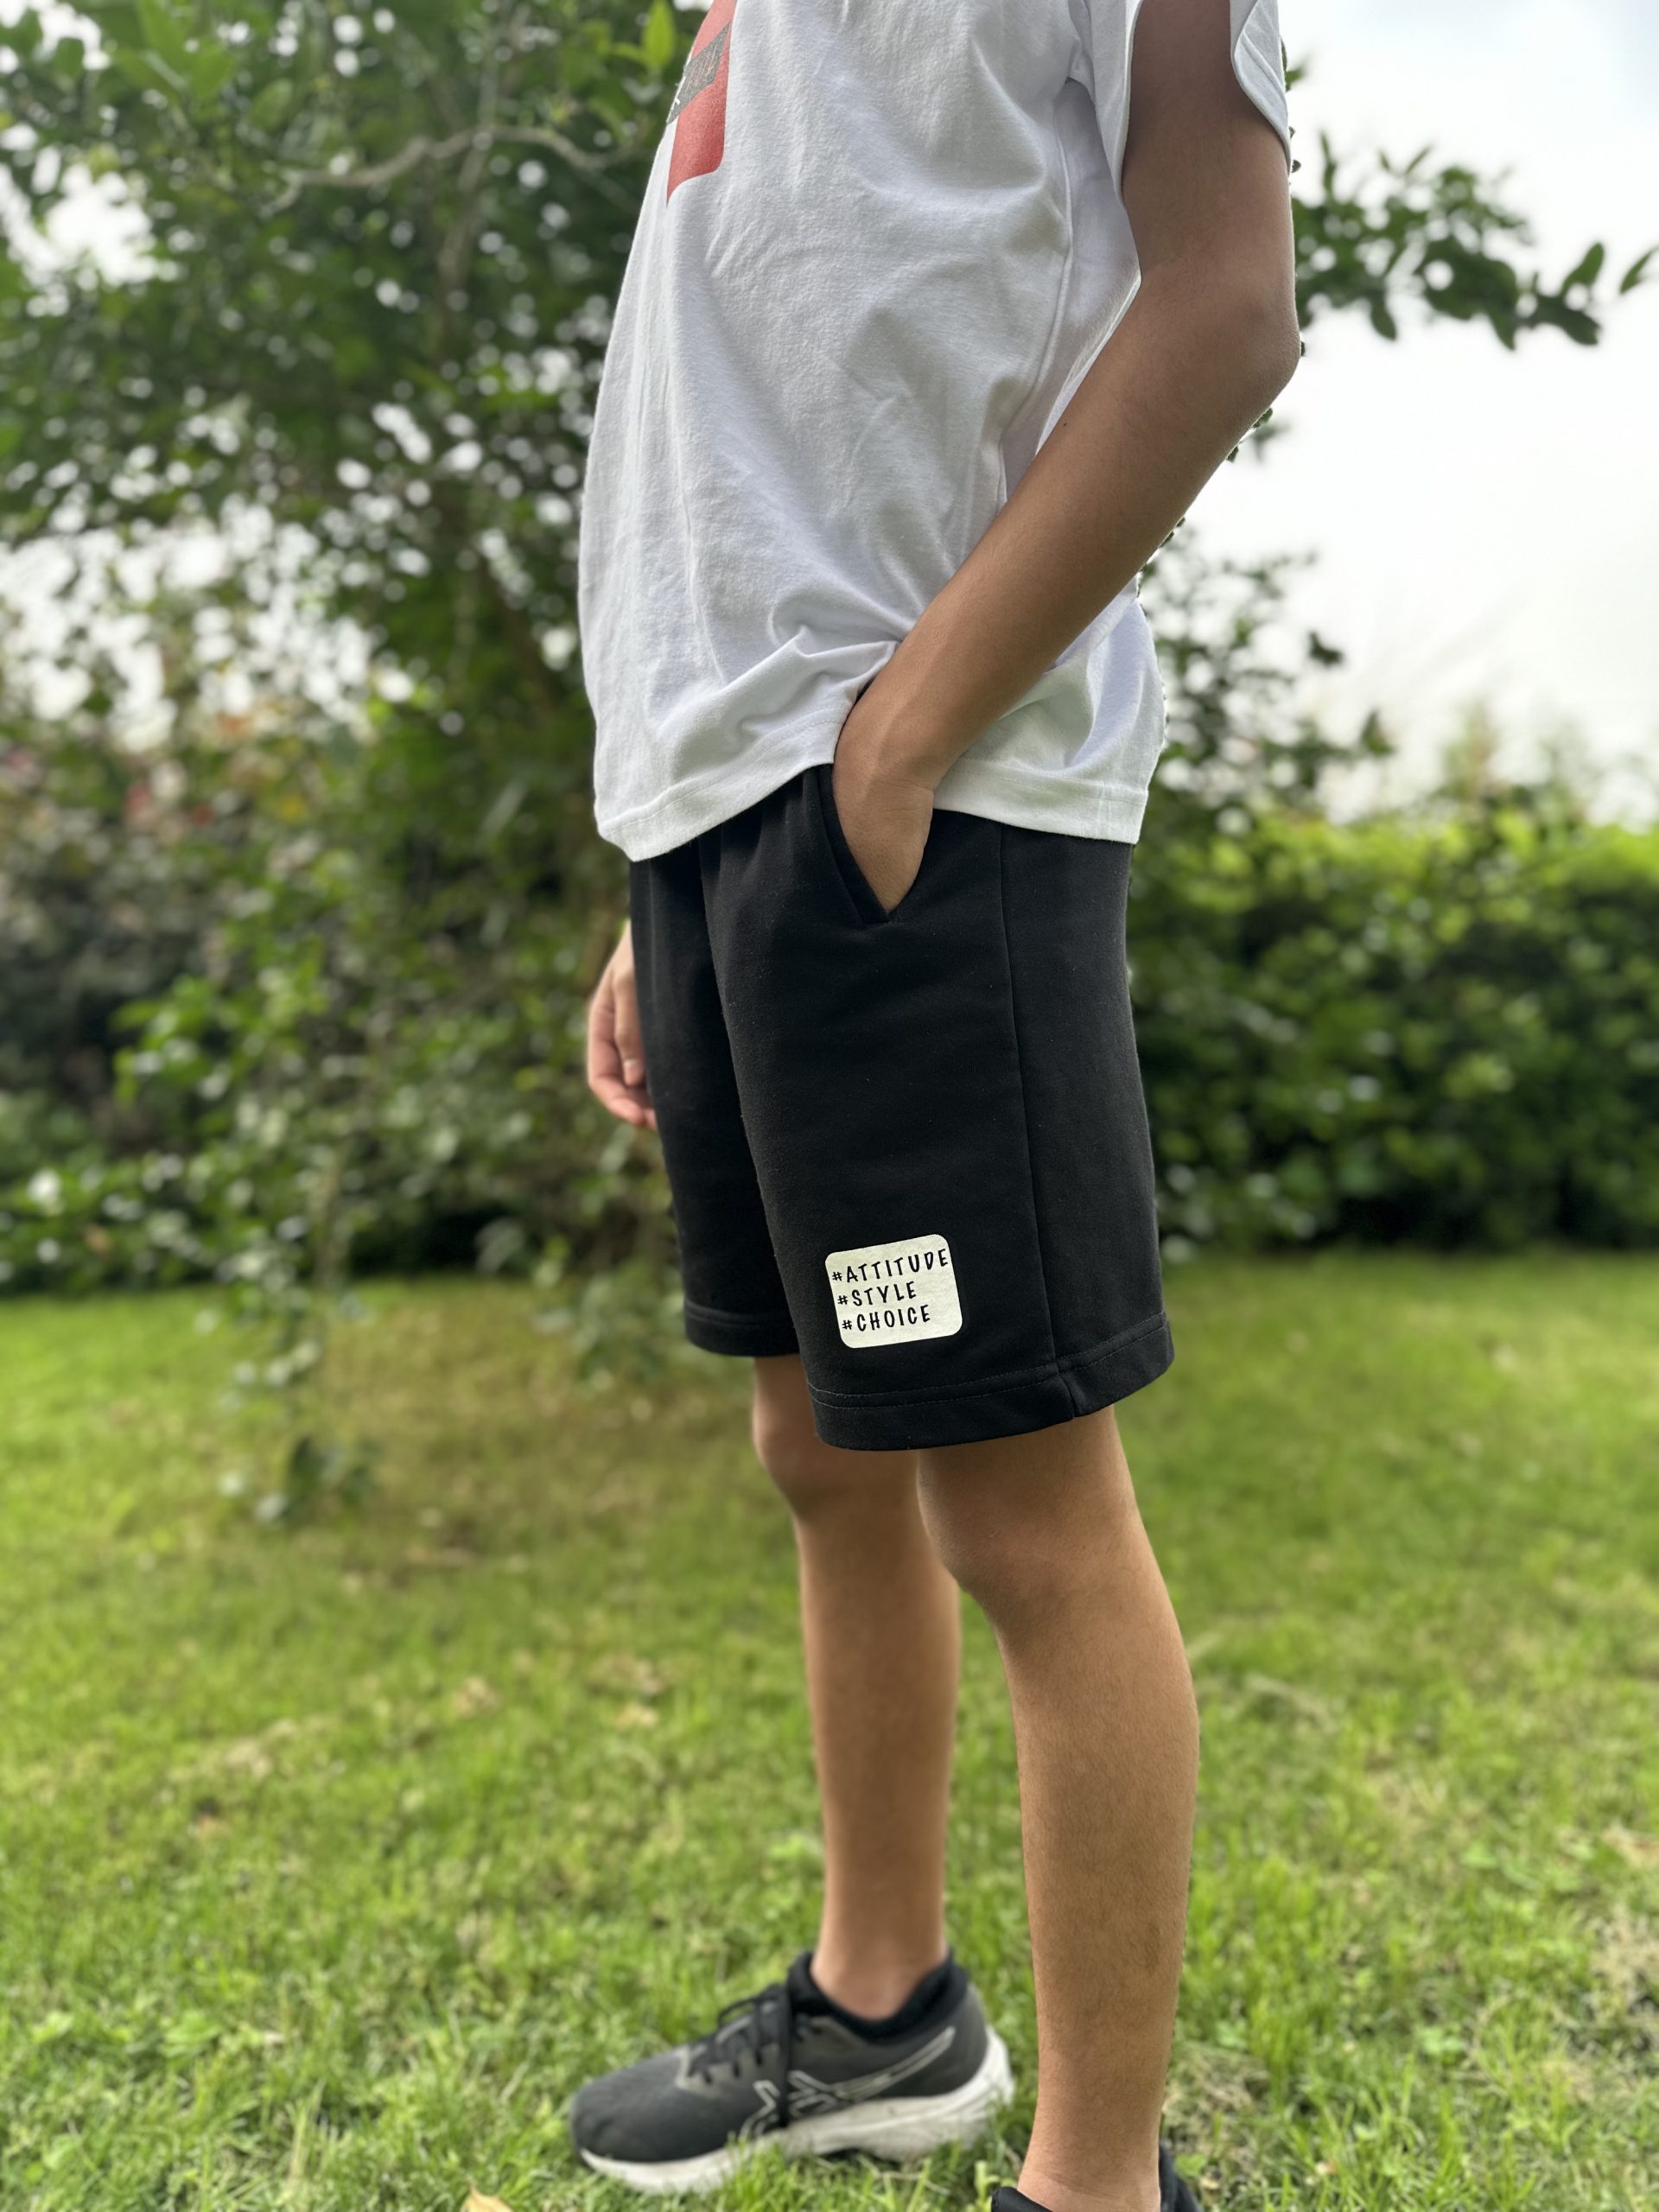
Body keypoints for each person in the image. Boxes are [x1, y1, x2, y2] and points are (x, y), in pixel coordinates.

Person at [575, 1, 1300, 2206]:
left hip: (922, 787)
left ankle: (1098, 2181)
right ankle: (884, 2002)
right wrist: (670, 853)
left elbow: (1228, 298)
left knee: (1025, 1512)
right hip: (729, 808)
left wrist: (902, 737)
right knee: (819, 1441)